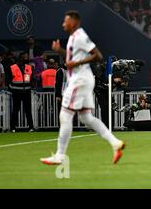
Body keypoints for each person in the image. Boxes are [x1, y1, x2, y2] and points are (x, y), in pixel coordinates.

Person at [40, 11, 125, 165]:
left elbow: (98, 55)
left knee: (65, 115)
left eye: (66, 21)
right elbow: (73, 58)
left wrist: (76, 64)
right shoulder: (74, 38)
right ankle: (115, 143)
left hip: (79, 80)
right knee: (86, 118)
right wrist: (60, 51)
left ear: (74, 22)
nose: (63, 24)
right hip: (82, 79)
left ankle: (59, 155)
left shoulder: (79, 36)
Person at [6, 52, 35, 132]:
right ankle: (13, 128)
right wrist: (12, 89)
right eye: (25, 57)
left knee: (28, 110)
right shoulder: (12, 67)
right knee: (15, 110)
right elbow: (8, 81)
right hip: (16, 92)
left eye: (27, 57)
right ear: (20, 58)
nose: (27, 58)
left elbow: (31, 79)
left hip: (27, 91)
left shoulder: (29, 67)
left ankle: (31, 127)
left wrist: (32, 84)